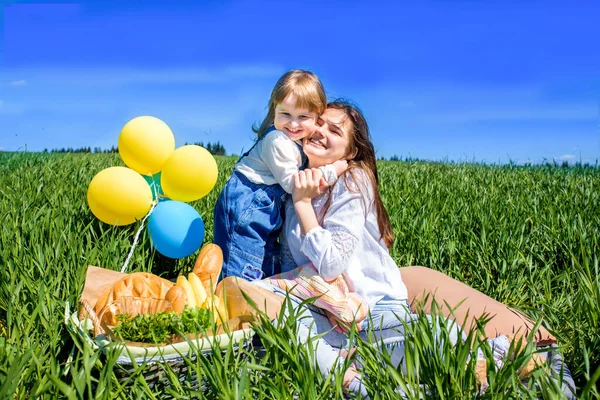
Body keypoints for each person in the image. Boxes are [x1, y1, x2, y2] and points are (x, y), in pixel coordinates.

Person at [213, 70, 345, 282]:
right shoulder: (276, 140)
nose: (293, 124)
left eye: (303, 117)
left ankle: (254, 297)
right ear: (274, 110)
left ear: (316, 117)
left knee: (264, 259)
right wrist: (334, 169)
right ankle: (230, 298)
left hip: (264, 205)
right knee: (242, 254)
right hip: (249, 201)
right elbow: (296, 185)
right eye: (286, 114)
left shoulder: (295, 141)